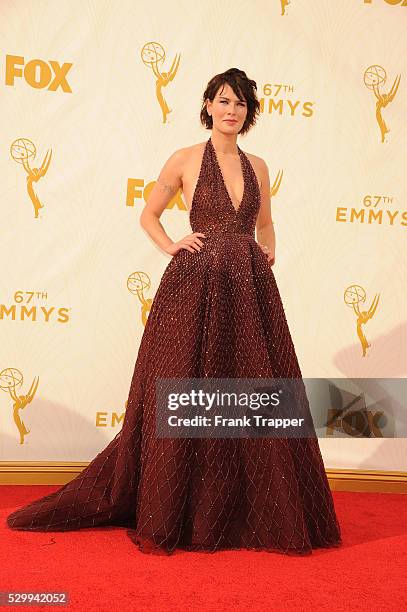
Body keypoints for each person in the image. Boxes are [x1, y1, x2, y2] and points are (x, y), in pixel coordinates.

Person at [7, 68, 342, 556]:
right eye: (223, 101)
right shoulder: (184, 159)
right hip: (195, 286)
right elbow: (148, 213)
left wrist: (267, 249)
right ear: (207, 105)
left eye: (241, 104)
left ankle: (251, 508)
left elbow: (266, 224)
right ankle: (179, 511)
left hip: (249, 290)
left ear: (249, 113)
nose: (231, 110)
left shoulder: (260, 166)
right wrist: (171, 244)